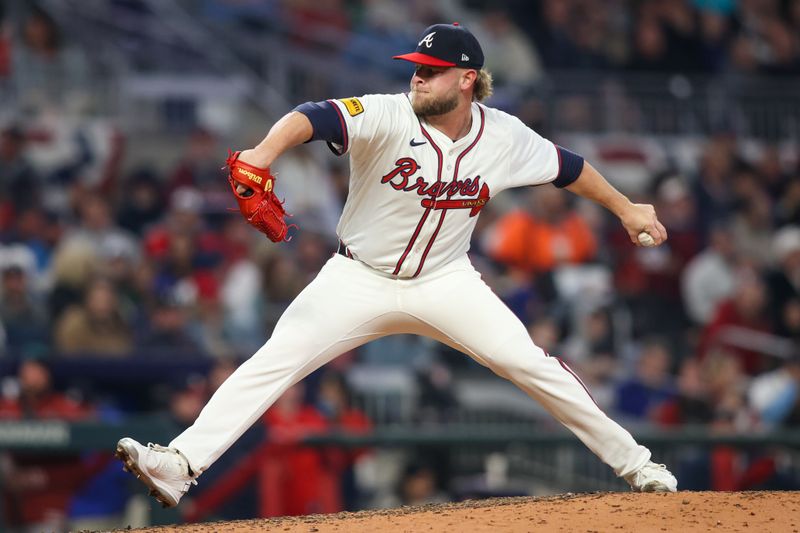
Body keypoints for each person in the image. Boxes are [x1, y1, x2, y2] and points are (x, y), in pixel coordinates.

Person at [116, 23, 677, 509]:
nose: (417, 78)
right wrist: (263, 154)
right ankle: (180, 463)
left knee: (532, 364)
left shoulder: (504, 135)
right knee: (274, 361)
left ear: (465, 79)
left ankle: (639, 466)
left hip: (446, 281)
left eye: (430, 71)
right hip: (357, 277)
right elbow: (313, 116)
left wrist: (626, 208)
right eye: (415, 68)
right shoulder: (387, 113)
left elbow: (568, 168)